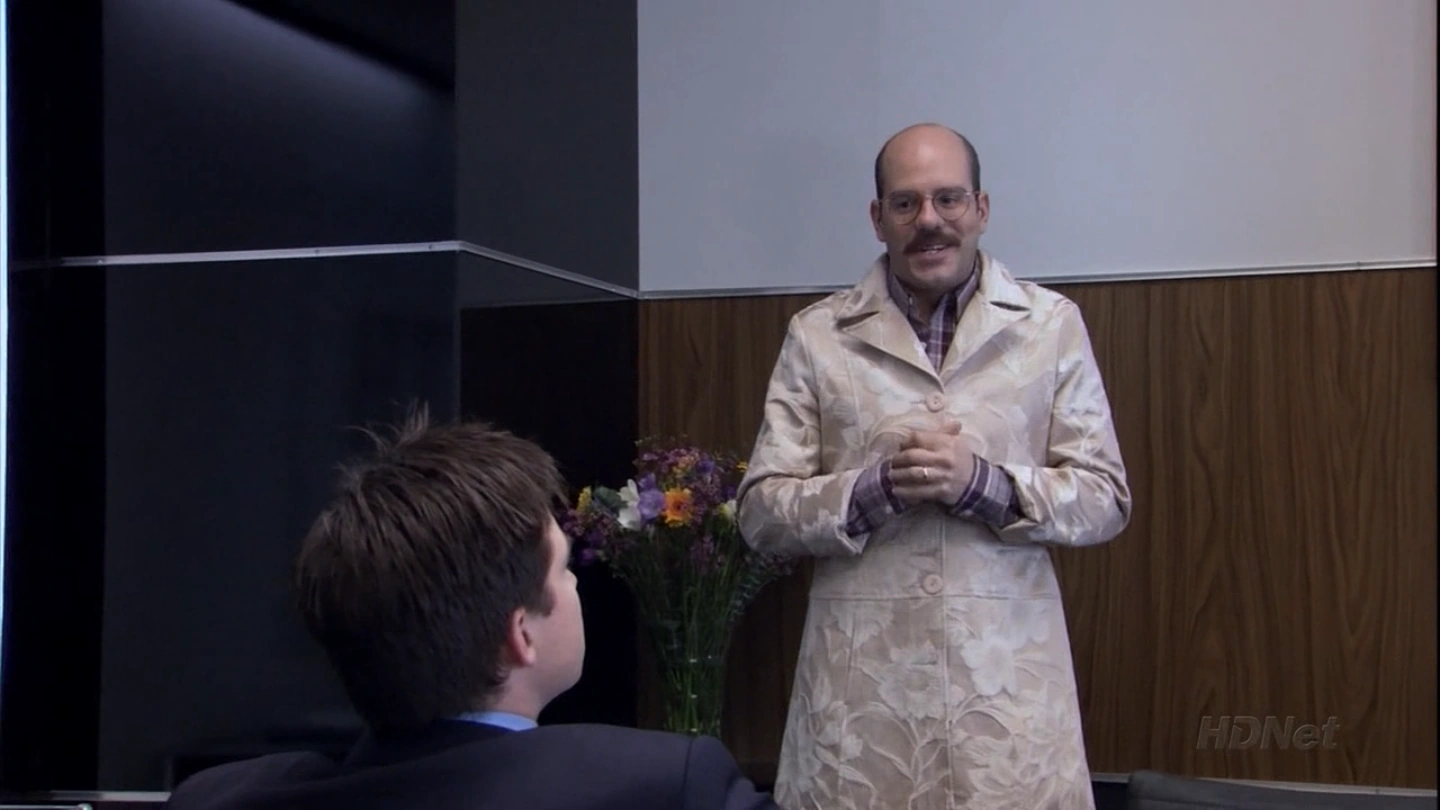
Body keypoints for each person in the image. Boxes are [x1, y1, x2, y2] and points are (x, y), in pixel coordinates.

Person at [735, 123, 1132, 809]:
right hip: (861, 716)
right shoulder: (818, 335)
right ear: (877, 218)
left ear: (981, 208)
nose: (929, 220)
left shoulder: (1049, 325)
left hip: (1007, 717)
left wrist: (982, 484)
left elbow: (1105, 498)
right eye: (906, 203)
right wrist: (876, 489)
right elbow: (760, 513)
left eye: (948, 199)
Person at [165, 408, 778, 810]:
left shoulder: (214, 799)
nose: (574, 586)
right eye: (564, 569)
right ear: (520, 635)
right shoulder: (666, 787)